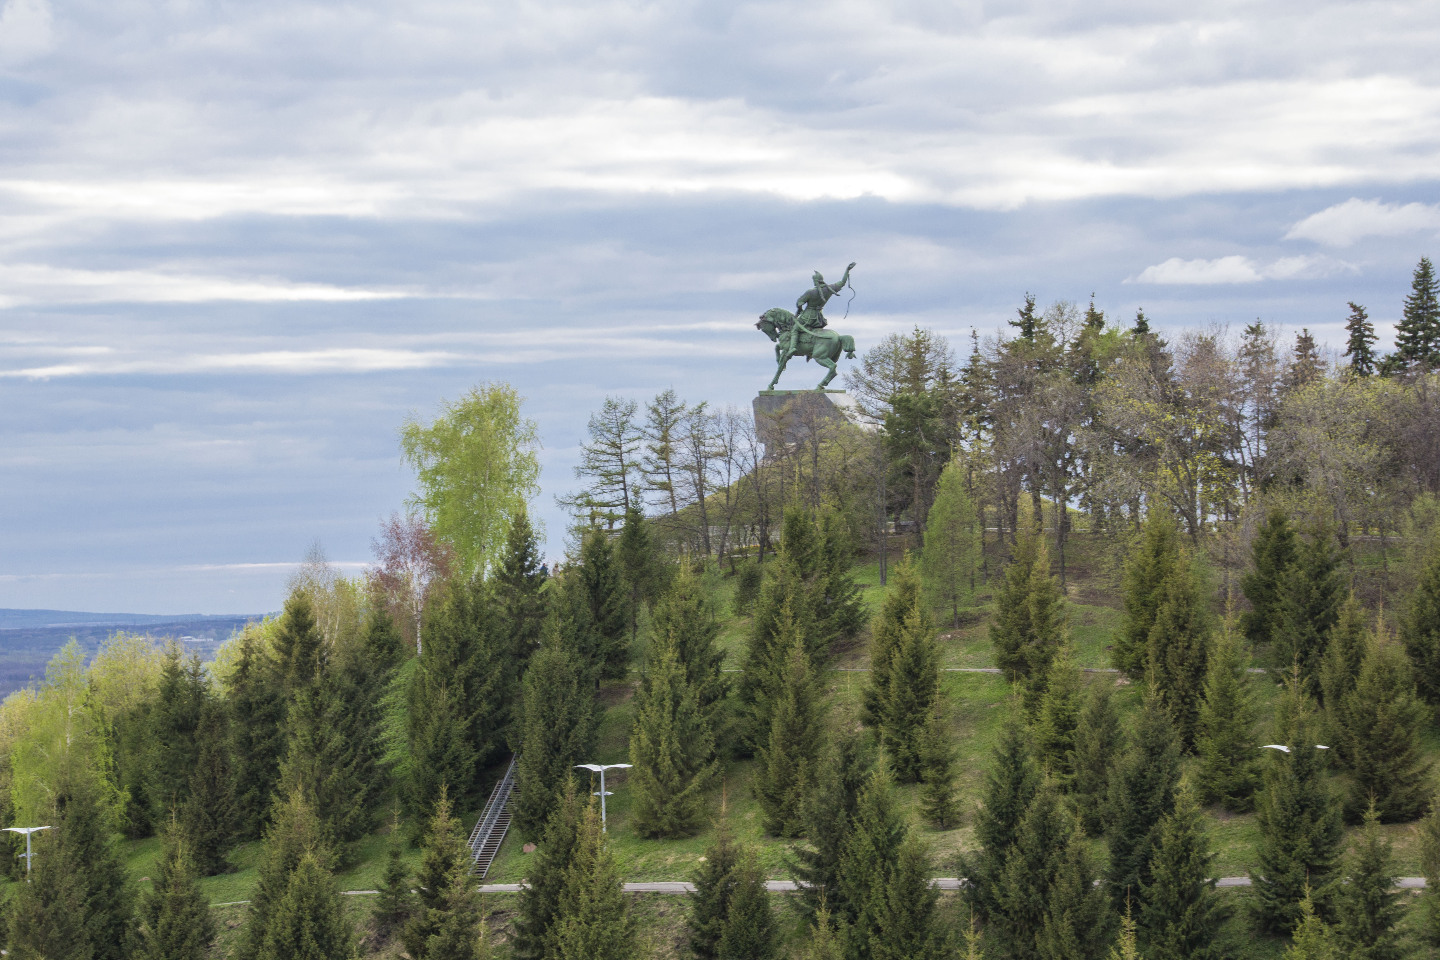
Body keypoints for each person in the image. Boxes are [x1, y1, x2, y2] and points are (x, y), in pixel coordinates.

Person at [787, 262, 854, 357]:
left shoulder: (811, 292)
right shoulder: (829, 289)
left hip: (808, 316)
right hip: (818, 318)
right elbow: (842, 283)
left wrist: (800, 307)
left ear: (815, 281)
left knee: (794, 329)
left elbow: (799, 302)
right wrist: (847, 270)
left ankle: (792, 348)